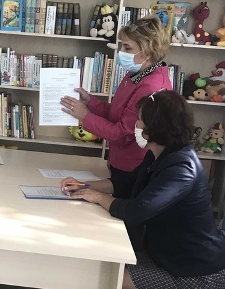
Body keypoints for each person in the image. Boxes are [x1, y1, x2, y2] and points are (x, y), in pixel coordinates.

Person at [60, 90, 225, 289]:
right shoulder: (160, 155)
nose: (135, 125)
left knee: (110, 279)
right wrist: (86, 187)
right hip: (173, 259)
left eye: (139, 120)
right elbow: (127, 184)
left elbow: (138, 210)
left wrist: (97, 198)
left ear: (155, 128)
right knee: (110, 267)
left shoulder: (182, 167)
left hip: (198, 274)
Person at [60, 15, 172, 195]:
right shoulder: (136, 73)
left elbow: (122, 133)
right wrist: (91, 102)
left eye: (127, 48)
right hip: (119, 162)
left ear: (148, 52)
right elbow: (117, 113)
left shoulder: (151, 86)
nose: (121, 52)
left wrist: (85, 116)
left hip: (134, 169)